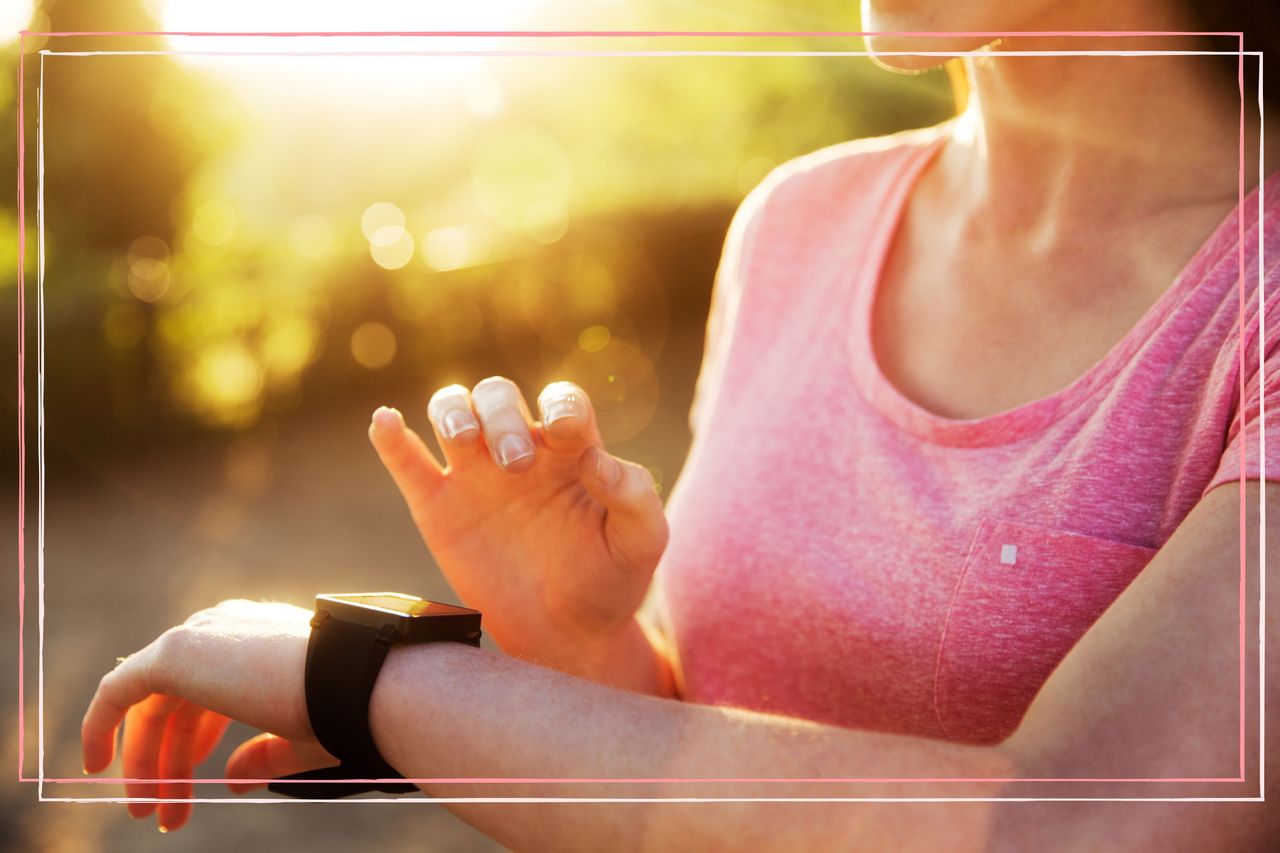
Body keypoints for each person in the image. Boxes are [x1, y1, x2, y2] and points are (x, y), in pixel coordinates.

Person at [82, 0, 1280, 847]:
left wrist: (363, 677)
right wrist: (582, 639)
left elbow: (1086, 821)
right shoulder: (796, 222)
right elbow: (693, 744)